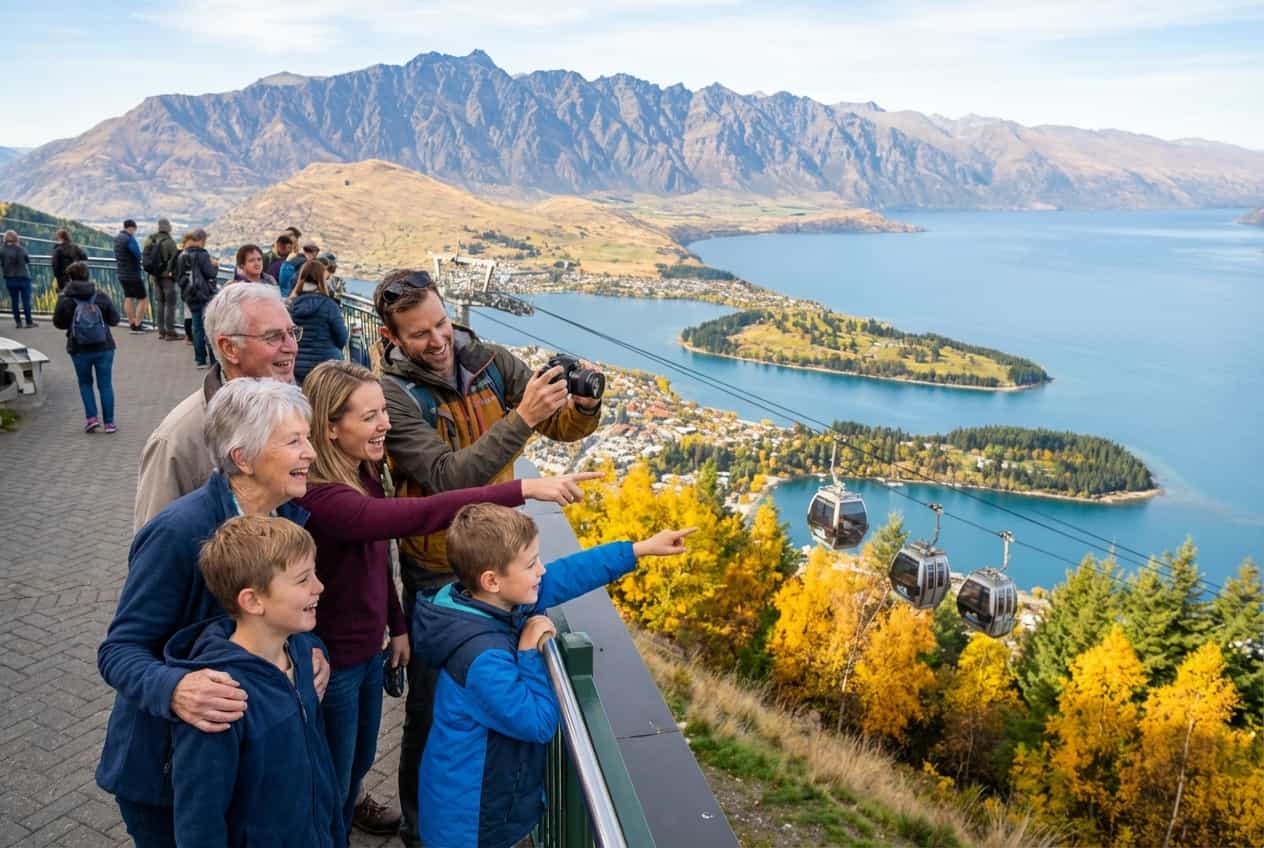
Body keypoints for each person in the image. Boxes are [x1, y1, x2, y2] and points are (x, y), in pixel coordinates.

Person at [294, 360, 600, 840]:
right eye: (370, 416)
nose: (385, 425)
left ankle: (345, 818)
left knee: (355, 766)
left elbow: (377, 559)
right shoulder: (325, 497)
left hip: (366, 649)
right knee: (330, 779)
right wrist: (523, 488)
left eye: (383, 411)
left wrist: (396, 625)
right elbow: (418, 515)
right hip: (334, 660)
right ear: (331, 427)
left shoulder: (362, 472)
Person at [373, 268, 604, 844]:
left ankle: (480, 819)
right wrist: (522, 417)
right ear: (391, 337)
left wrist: (582, 404)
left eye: (441, 324)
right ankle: (421, 828)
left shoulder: (491, 362)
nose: (438, 340)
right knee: (431, 707)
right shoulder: (392, 396)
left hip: (497, 556)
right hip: (436, 570)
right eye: (420, 333)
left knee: (491, 698)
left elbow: (558, 427)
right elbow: (447, 476)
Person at [97, 379, 330, 847]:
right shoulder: (178, 533)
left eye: (307, 438)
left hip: (242, 768)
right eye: (293, 441)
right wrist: (175, 688)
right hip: (168, 777)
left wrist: (307, 647)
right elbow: (119, 650)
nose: (311, 453)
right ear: (243, 458)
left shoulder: (284, 518)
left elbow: (266, 615)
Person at [414, 504, 694, 848]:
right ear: (492, 580)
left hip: (482, 801)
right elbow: (539, 723)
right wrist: (529, 653)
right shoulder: (481, 658)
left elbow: (569, 574)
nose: (541, 570)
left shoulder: (488, 602)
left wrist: (638, 549)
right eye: (531, 564)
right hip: (470, 822)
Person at [167, 516, 343, 848]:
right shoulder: (219, 699)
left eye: (315, 573)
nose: (319, 587)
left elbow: (319, 760)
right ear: (253, 601)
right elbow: (199, 821)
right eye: (303, 579)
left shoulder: (302, 655)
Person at [134, 282, 300, 530]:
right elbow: (156, 539)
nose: (292, 347)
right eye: (274, 337)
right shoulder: (178, 440)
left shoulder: (295, 412)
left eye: (292, 332)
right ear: (229, 348)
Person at [52, 261, 121, 433]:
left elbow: (58, 323)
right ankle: (109, 423)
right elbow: (114, 320)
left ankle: (92, 419)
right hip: (104, 346)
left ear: (70, 278)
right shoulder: (101, 296)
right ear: (88, 276)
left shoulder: (65, 299)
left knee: (85, 383)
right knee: (105, 385)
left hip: (79, 349)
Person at [289, 259, 347, 384]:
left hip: (297, 366)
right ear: (322, 279)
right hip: (327, 366)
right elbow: (342, 337)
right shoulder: (329, 305)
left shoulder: (291, 305)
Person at [175, 228, 220, 369]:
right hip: (204, 295)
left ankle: (200, 359)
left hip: (191, 295)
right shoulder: (203, 255)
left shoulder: (182, 255)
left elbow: (179, 277)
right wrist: (215, 266)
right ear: (201, 240)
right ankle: (214, 360)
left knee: (197, 327)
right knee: (209, 327)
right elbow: (210, 274)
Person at [142, 218, 181, 340]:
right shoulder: (170, 242)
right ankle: (170, 332)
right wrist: (172, 273)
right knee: (170, 304)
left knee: (160, 304)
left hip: (155, 276)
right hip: (167, 277)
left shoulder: (151, 239)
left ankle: (161, 331)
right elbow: (175, 260)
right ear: (168, 228)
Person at [113, 219, 150, 333]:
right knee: (143, 299)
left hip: (122, 274)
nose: (134, 232)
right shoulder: (129, 239)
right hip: (133, 274)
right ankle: (138, 325)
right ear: (131, 228)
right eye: (134, 230)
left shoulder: (118, 238)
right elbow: (138, 254)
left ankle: (132, 323)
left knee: (128, 297)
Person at [2, 230, 35, 328]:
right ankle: (29, 322)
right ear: (16, 238)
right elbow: (27, 260)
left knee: (14, 301)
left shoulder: (2, 250)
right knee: (26, 301)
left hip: (10, 279)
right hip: (23, 278)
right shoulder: (21, 249)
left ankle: (18, 323)